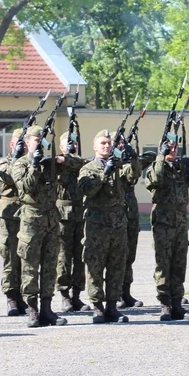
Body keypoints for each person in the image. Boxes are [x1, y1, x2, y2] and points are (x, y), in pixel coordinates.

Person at [78, 130, 139, 324]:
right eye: (102, 143)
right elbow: (87, 190)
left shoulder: (120, 167)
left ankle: (112, 306)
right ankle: (97, 307)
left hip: (118, 223)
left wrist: (133, 156)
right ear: (95, 147)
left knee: (116, 266)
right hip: (97, 224)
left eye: (108, 143)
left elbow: (134, 175)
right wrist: (105, 174)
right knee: (95, 267)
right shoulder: (87, 168)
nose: (106, 146)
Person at [146, 135, 189, 321]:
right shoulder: (155, 167)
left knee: (179, 262)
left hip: (180, 219)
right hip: (163, 219)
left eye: (175, 148)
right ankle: (165, 304)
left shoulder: (181, 169)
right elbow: (154, 180)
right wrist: (160, 158)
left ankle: (177, 303)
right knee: (163, 263)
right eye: (169, 148)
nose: (173, 151)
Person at [11, 126, 67, 327]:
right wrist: (34, 165)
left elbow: (78, 164)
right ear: (27, 143)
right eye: (37, 141)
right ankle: (32, 309)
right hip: (31, 220)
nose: (40, 144)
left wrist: (60, 158)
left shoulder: (50, 162)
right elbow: (25, 186)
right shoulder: (20, 164)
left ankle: (47, 308)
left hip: (51, 219)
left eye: (43, 141)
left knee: (50, 265)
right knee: (30, 266)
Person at [54, 132, 89, 313]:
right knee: (63, 257)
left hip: (80, 214)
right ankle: (64, 295)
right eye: (67, 143)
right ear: (60, 147)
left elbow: (81, 163)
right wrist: (63, 159)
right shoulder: (56, 164)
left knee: (80, 257)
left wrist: (69, 159)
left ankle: (77, 295)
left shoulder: (81, 163)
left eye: (74, 142)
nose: (71, 145)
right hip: (63, 215)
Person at [0, 128, 28, 316]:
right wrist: (16, 158)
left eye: (25, 143)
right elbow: (8, 176)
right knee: (10, 258)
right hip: (9, 216)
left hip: (28, 214)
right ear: (12, 144)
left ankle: (25, 296)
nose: (22, 146)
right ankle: (11, 297)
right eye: (19, 143)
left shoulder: (30, 162)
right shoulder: (4, 163)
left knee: (27, 258)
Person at [118, 150, 156, 309]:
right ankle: (114, 294)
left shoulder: (130, 163)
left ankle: (125, 292)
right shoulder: (106, 164)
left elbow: (150, 157)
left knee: (129, 256)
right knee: (115, 257)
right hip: (114, 214)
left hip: (131, 215)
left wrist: (133, 156)